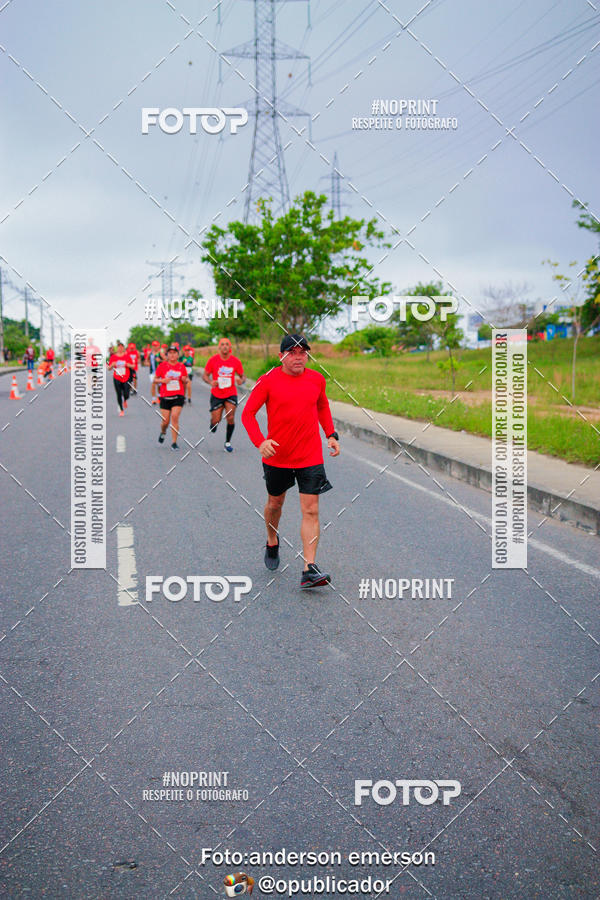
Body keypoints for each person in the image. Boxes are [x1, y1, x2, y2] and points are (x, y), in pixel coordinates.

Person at [241, 334, 340, 589]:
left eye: (303, 352)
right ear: (281, 356)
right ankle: (271, 539)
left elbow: (322, 407)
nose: (298, 357)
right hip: (278, 457)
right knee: (275, 504)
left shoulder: (317, 379)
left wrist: (330, 434)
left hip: (310, 457)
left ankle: (309, 568)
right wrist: (260, 442)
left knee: (311, 510)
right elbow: (248, 414)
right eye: (292, 352)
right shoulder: (268, 380)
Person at [203, 337, 246, 452]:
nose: (225, 346)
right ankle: (213, 423)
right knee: (216, 420)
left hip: (231, 393)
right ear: (219, 347)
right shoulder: (213, 360)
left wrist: (241, 380)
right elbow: (205, 375)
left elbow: (243, 376)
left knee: (230, 417)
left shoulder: (235, 361)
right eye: (222, 344)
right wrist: (210, 381)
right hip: (217, 394)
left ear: (230, 347)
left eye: (227, 344)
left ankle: (227, 442)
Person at [154, 344, 188, 449]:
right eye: (170, 353)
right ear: (167, 355)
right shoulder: (162, 366)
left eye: (174, 353)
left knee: (174, 417)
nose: (172, 355)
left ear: (178, 355)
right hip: (165, 397)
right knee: (165, 422)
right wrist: (162, 380)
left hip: (178, 396)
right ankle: (163, 431)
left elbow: (185, 380)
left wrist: (184, 380)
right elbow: (155, 380)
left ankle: (174, 442)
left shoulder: (181, 366)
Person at [107, 341, 131, 416]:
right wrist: (112, 365)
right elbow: (109, 368)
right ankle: (121, 410)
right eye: (119, 347)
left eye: (121, 347)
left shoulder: (127, 356)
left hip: (126, 377)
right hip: (117, 377)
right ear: (117, 348)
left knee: (126, 393)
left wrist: (126, 364)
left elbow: (133, 366)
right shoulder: (113, 357)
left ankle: (125, 400)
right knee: (119, 393)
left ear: (123, 348)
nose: (120, 348)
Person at [148, 340, 164, 404]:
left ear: (158, 346)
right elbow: (146, 360)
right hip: (152, 372)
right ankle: (153, 399)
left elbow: (166, 360)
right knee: (153, 384)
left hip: (159, 372)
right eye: (154, 346)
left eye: (156, 346)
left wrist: (160, 360)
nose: (155, 347)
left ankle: (159, 397)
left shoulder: (160, 353)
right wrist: (147, 363)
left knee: (159, 386)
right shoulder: (150, 353)